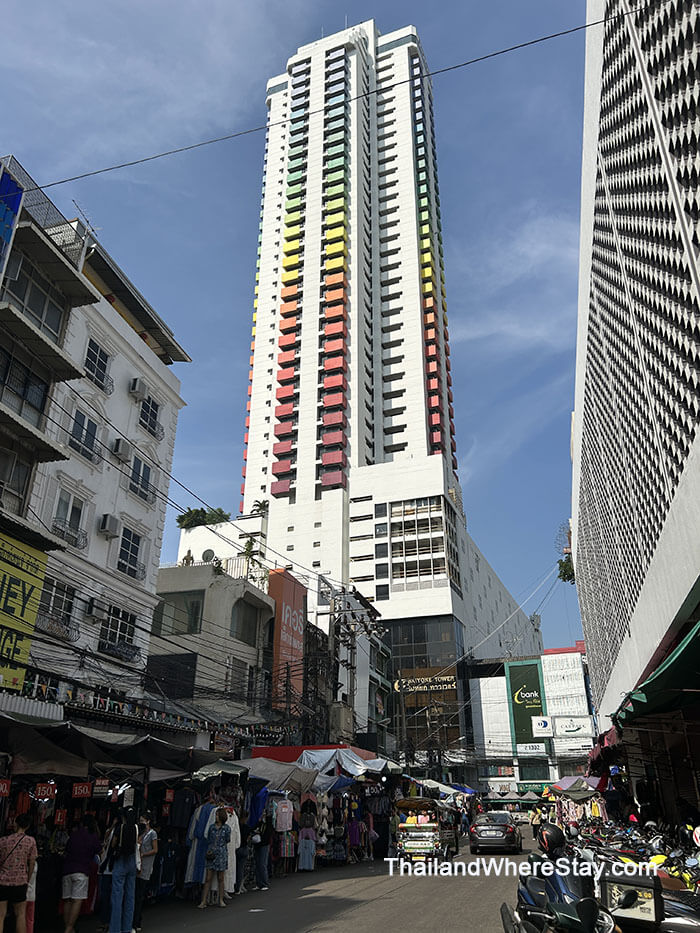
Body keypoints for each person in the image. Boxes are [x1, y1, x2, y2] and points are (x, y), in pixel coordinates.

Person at [62, 815, 102, 933]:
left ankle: (68, 927)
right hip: (82, 870)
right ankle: (69, 928)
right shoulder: (92, 836)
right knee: (77, 900)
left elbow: (66, 849)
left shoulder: (73, 835)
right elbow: (99, 851)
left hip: (67, 870)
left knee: (67, 900)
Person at [0, 813, 37, 933]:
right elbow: (31, 862)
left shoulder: (3, 840)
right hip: (20, 881)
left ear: (15, 823)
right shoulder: (31, 841)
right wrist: (28, 878)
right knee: (20, 915)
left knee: (0, 915)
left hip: (3, 881)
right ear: (27, 826)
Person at [109, 809, 139, 933]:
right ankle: (127, 927)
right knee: (130, 897)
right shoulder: (137, 828)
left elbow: (113, 844)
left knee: (117, 897)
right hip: (132, 862)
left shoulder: (119, 828)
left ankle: (115, 929)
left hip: (120, 861)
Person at [198, 808, 230, 909]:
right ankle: (204, 901)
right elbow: (209, 839)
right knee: (208, 878)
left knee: (221, 878)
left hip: (221, 854)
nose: (216, 817)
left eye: (217, 815)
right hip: (211, 853)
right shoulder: (211, 827)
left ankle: (220, 900)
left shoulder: (227, 828)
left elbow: (227, 840)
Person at [133, 812, 158, 930]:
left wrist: (144, 854)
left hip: (146, 866)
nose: (141, 822)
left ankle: (137, 921)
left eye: (143, 820)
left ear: (148, 821)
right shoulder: (140, 833)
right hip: (138, 865)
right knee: (135, 894)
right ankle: (136, 919)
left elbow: (155, 849)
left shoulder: (152, 834)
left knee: (139, 895)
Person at [97, 816, 118, 933]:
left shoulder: (120, 832)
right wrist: (112, 827)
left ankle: (110, 922)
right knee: (104, 896)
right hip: (105, 869)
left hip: (114, 869)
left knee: (112, 897)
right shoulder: (108, 832)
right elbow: (104, 841)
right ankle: (104, 921)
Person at [252, 814, 272, 892]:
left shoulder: (268, 822)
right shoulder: (257, 821)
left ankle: (264, 883)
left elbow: (269, 833)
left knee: (262, 863)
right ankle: (258, 883)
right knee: (257, 863)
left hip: (264, 844)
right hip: (257, 844)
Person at [234, 811, 250, 895]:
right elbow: (248, 838)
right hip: (244, 848)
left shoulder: (237, 827)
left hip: (237, 848)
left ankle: (235, 886)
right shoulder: (247, 827)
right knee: (241, 869)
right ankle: (238, 887)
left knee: (235, 868)